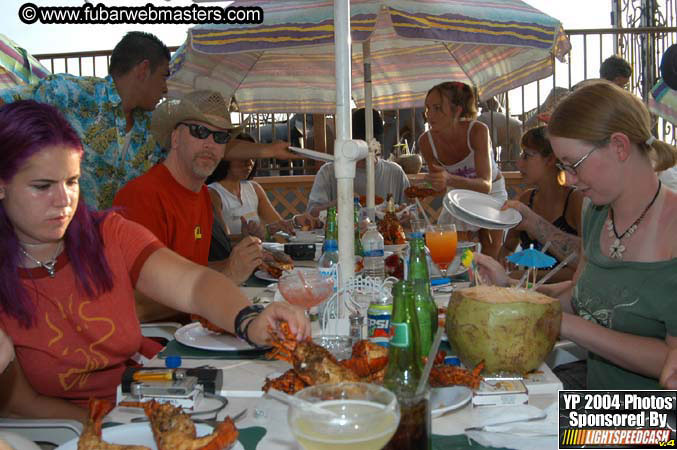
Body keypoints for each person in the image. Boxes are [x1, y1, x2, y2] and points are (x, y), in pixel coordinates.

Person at [0, 100, 309, 422]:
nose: (64, 201)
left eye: (72, 182)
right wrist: (110, 430)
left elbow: (193, 283)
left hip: (152, 392)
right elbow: (20, 403)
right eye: (42, 186)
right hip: (78, 428)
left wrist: (249, 321)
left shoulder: (107, 234)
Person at [475, 80, 677, 390]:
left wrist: (563, 325)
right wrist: (510, 292)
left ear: (620, 146)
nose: (568, 179)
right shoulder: (596, 213)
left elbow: (670, 361)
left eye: (573, 165)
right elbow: (583, 298)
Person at [113, 91, 268, 322]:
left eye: (220, 137)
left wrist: (238, 263)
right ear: (175, 138)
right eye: (200, 131)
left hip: (198, 331)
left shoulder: (202, 195)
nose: (210, 144)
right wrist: (227, 275)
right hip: (158, 346)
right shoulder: (141, 197)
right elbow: (135, 304)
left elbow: (191, 271)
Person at [0, 31, 170, 210]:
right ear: (143, 70)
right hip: (56, 231)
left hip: (118, 234)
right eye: (164, 76)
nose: (166, 88)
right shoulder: (67, 94)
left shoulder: (155, 129)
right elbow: (6, 103)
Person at [420, 81, 508, 259]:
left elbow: (485, 185)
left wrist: (448, 179)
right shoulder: (426, 142)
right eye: (428, 108)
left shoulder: (477, 131)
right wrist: (431, 185)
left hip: (492, 194)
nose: (430, 115)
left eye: (437, 108)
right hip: (458, 195)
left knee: (491, 254)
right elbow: (441, 188)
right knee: (454, 254)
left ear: (457, 109)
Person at [499, 126, 583, 282]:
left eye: (526, 156)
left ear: (550, 159)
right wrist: (507, 262)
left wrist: (529, 277)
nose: (519, 163)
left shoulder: (575, 201)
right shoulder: (525, 199)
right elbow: (508, 247)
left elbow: (584, 269)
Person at [206, 134, 317, 240]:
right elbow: (222, 243)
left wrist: (295, 222)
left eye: (253, 158)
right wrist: (246, 237)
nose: (249, 163)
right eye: (244, 158)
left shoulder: (254, 188)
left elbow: (280, 225)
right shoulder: (213, 194)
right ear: (226, 158)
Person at [306, 108, 410, 214]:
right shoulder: (329, 172)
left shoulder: (395, 173)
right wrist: (340, 203)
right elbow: (311, 213)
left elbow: (411, 211)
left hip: (386, 229)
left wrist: (407, 215)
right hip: (343, 230)